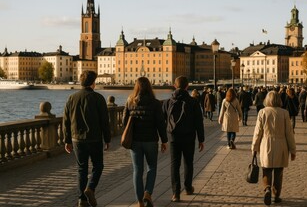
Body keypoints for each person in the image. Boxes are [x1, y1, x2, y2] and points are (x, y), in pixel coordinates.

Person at [63, 70, 111, 207]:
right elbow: (104, 121)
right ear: (92, 83)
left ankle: (82, 200)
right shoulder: (98, 98)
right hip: (95, 138)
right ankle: (90, 188)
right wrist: (107, 139)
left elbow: (66, 121)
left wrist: (67, 140)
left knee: (81, 169)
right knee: (98, 166)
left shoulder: (72, 98)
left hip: (77, 139)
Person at [122, 77, 168, 207]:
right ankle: (148, 193)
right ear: (149, 87)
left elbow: (125, 123)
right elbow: (160, 124)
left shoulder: (130, 101)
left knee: (137, 170)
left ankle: (140, 201)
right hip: (151, 140)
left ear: (136, 87)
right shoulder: (155, 103)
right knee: (152, 167)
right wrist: (164, 140)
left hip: (135, 141)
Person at [162, 76, 205, 202]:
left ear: (175, 86)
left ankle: (176, 193)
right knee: (188, 163)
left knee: (174, 165)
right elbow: (199, 122)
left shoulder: (167, 102)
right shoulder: (193, 102)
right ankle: (187, 187)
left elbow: (163, 121)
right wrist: (201, 139)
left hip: (173, 137)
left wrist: (164, 139)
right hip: (189, 137)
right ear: (187, 86)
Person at [251, 91, 296, 206]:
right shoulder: (284, 113)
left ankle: (267, 188)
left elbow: (257, 132)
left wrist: (254, 148)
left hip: (266, 144)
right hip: (281, 145)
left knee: (266, 170)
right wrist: (293, 150)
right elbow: (289, 133)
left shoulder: (262, 112)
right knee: (278, 172)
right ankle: (276, 195)